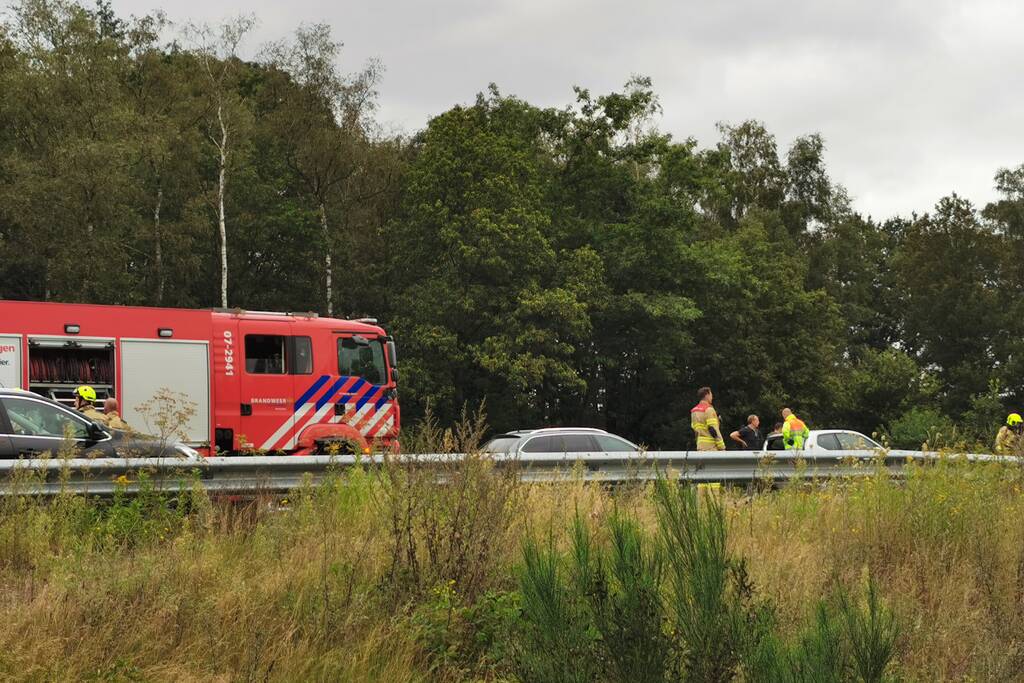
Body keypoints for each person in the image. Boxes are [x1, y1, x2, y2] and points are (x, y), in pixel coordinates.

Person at [691, 387, 726, 451]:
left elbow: (695, 430)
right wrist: (722, 447)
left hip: (700, 447)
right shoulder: (709, 409)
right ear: (707, 395)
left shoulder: (694, 411)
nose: (712, 397)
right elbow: (714, 430)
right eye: (711, 395)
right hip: (711, 447)